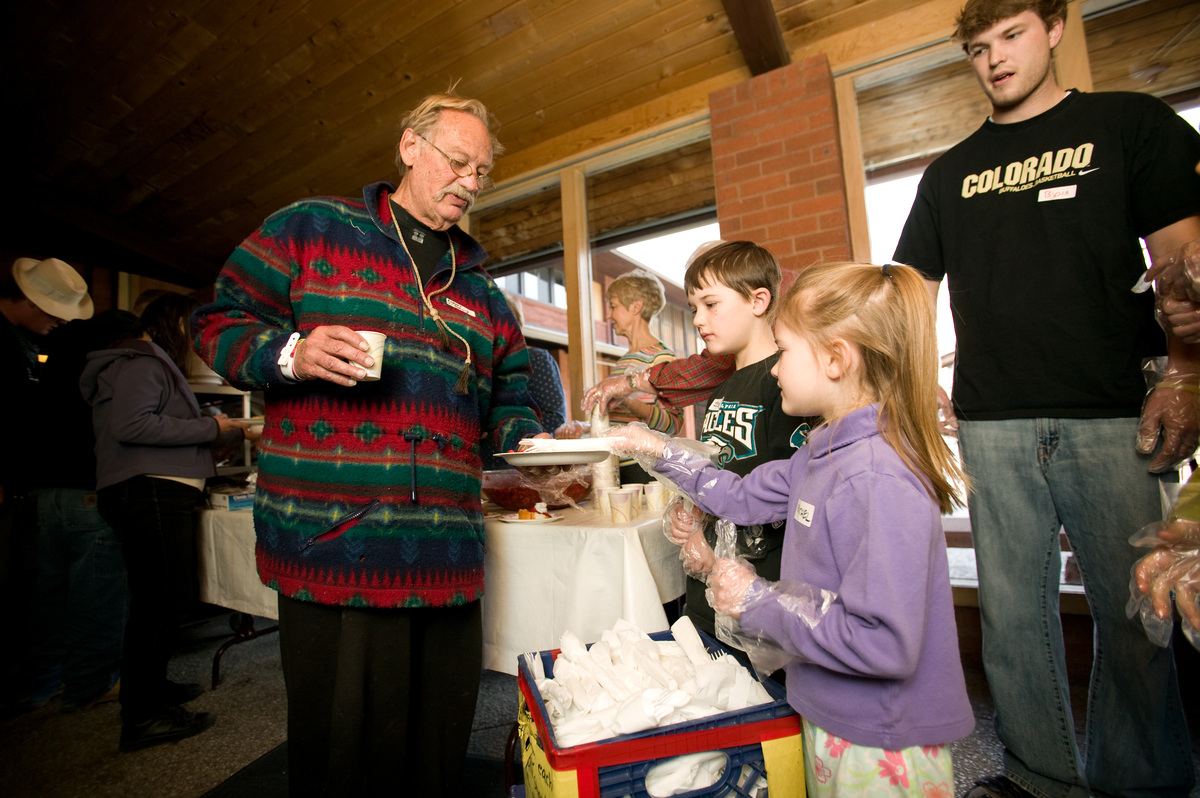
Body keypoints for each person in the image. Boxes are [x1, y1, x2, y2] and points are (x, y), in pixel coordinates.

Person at [190, 92, 548, 795]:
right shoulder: (313, 228)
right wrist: (290, 351)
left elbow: (506, 401)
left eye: (482, 172)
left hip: (446, 550)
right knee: (342, 748)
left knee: (437, 740)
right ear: (409, 147)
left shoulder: (483, 293)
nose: (470, 182)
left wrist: (539, 447)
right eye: (457, 161)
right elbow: (216, 322)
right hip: (334, 541)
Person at [890, 1, 1200, 796]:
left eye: (1013, 36)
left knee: (1139, 617)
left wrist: (1188, 372)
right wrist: (913, 383)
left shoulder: (1130, 125)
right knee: (1013, 625)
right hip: (992, 424)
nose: (995, 59)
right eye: (978, 49)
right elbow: (909, 298)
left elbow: (1184, 267)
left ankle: (1144, 783)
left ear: (1056, 27)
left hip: (1115, 420)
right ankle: (1036, 778)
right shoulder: (948, 173)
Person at [606, 261, 974, 796]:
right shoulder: (822, 452)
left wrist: (757, 600)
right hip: (827, 708)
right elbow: (736, 495)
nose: (776, 369)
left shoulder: (875, 477)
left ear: (836, 359)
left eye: (785, 352)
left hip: (880, 735)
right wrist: (660, 451)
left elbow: (885, 643)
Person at [81, 293, 254, 752]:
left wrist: (209, 436)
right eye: (193, 325)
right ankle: (143, 717)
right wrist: (211, 430)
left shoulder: (143, 363)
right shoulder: (141, 361)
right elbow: (133, 426)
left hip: (153, 488)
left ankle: (151, 691)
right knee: (158, 602)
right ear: (173, 323)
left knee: (159, 599)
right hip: (151, 489)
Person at [667, 241, 814, 651]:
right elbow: (723, 473)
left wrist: (717, 554)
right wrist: (693, 516)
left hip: (756, 599)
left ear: (758, 300)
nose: (698, 319)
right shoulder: (722, 389)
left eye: (711, 304)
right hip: (708, 596)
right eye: (694, 307)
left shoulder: (784, 386)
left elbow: (787, 503)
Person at [16, 310, 141, 714]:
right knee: (97, 591)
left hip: (47, 489)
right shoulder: (110, 362)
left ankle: (40, 684)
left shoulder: (55, 359)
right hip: (88, 488)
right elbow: (126, 427)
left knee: (51, 591)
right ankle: (91, 683)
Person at [0, 257, 96, 707]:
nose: (57, 321)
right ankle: (67, 682)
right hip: (41, 481)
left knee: (45, 586)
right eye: (50, 311)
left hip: (37, 481)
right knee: (61, 588)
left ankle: (39, 682)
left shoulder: (44, 349)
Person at [560, 268, 683, 481]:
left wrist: (628, 401)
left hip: (645, 472)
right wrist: (585, 429)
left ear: (636, 307)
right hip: (614, 468)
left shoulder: (662, 360)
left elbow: (674, 424)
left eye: (614, 306)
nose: (608, 315)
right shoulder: (623, 362)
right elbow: (619, 423)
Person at [482, 292, 567, 469]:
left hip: (522, 463)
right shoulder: (482, 365)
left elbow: (556, 416)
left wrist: (523, 435)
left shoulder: (537, 359)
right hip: (484, 464)